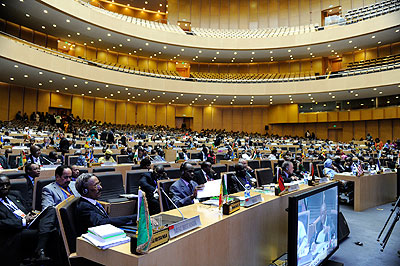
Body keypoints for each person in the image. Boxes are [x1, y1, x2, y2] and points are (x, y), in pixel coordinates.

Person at [0, 175, 58, 265]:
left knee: (50, 209)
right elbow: (1, 224)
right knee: (51, 231)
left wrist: (33, 214)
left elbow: (28, 208)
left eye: (7, 184)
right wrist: (23, 221)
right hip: (15, 232)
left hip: (30, 222)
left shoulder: (15, 194)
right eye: (1, 185)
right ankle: (40, 250)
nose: (5, 187)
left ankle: (40, 249)